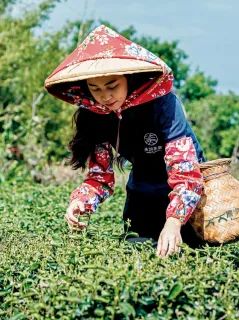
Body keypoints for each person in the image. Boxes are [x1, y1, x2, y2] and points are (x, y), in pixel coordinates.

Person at [45, 25, 206, 257]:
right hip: (141, 195)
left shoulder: (164, 104)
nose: (105, 96)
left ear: (129, 78)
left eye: (112, 86)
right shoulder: (96, 116)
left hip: (187, 199)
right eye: (95, 89)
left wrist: (173, 221)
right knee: (137, 258)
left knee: (194, 260)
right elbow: (99, 178)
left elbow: (186, 173)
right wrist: (81, 202)